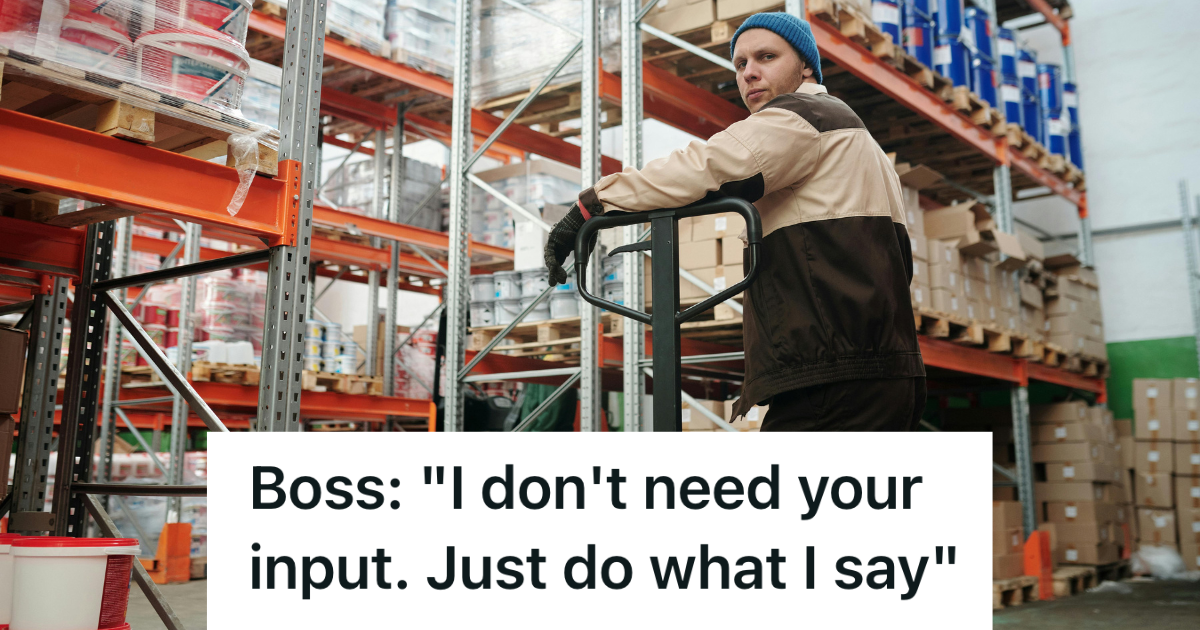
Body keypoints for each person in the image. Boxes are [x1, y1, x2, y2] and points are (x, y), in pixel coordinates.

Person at [543, 12, 925, 431]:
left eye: (766, 56)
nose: (750, 73)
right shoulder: (855, 135)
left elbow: (704, 167)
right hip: (878, 368)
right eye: (740, 64)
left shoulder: (802, 117)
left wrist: (592, 206)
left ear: (806, 67)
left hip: (835, 376)